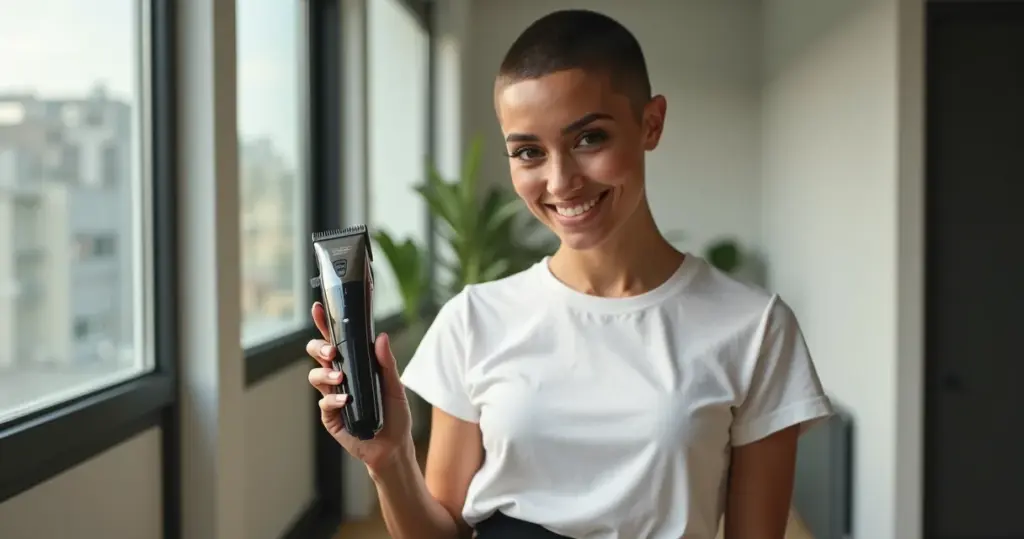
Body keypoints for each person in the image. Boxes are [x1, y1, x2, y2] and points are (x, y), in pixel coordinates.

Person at [305, 8, 833, 539]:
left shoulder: (755, 327)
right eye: (529, 152)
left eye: (589, 139)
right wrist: (389, 459)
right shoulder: (474, 319)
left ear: (651, 123)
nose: (560, 183)